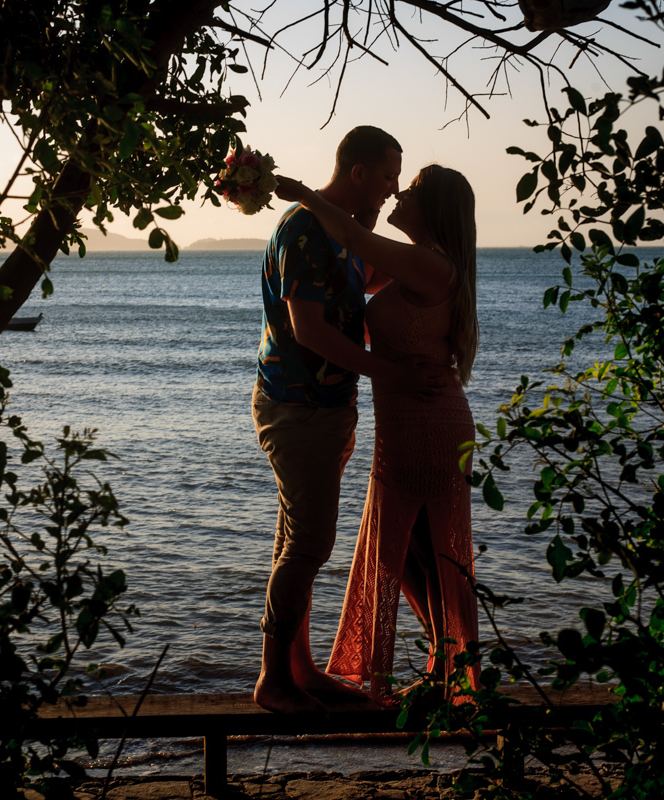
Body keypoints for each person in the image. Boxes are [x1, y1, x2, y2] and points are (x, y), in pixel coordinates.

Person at [274, 164, 482, 705]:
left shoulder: (429, 263)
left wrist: (302, 195)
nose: (398, 192)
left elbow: (350, 236)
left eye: (409, 189)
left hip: (428, 424)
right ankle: (446, 668)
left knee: (425, 555)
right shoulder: (416, 264)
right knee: (414, 557)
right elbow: (351, 260)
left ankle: (448, 675)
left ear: (432, 208)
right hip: (408, 423)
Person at [253, 125, 436, 715]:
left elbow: (366, 287)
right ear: (358, 173)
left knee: (295, 542)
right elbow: (311, 329)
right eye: (387, 176)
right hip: (299, 405)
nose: (391, 188)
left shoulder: (340, 234)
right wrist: (393, 371)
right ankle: (273, 682)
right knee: (310, 543)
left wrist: (418, 245)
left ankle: (299, 671)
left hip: (325, 407)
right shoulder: (305, 229)